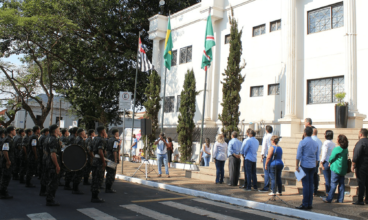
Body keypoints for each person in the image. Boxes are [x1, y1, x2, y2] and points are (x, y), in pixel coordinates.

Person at [295, 127, 319, 210]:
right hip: (312, 165)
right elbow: (317, 157)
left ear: (305, 133)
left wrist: (296, 165)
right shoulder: (315, 143)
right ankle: (309, 203)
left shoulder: (302, 142)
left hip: (305, 165)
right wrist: (315, 165)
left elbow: (298, 155)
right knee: (310, 185)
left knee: (305, 185)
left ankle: (305, 203)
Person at [321, 134, 348, 203]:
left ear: (339, 141)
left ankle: (329, 198)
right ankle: (340, 199)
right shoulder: (345, 149)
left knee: (333, 184)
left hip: (336, 168)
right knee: (341, 184)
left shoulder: (337, 149)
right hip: (343, 169)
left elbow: (331, 158)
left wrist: (329, 162)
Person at [45, 124, 62, 206]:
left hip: (48, 162)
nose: (59, 131)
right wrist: (57, 165)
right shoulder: (54, 139)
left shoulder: (48, 138)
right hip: (52, 163)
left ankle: (49, 198)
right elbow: (53, 154)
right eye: (58, 130)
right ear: (55, 131)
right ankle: (50, 199)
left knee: (50, 181)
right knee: (53, 182)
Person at [91, 126, 107, 203]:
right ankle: (95, 196)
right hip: (99, 161)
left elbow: (90, 149)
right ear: (102, 131)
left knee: (94, 178)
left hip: (94, 159)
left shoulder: (94, 139)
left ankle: (93, 195)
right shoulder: (101, 139)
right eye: (104, 130)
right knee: (98, 179)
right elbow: (100, 151)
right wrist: (103, 162)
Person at [352, 128, 368, 205]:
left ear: (361, 134)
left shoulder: (360, 143)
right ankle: (367, 199)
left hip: (361, 166)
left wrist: (353, 164)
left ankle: (360, 199)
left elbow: (356, 154)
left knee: (361, 183)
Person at [0, 126, 16, 199]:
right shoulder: (7, 140)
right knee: (6, 176)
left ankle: (3, 191)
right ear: (11, 131)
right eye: (14, 130)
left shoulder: (9, 139)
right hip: (6, 161)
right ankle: (3, 192)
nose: (15, 132)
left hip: (8, 160)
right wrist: (8, 160)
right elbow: (5, 151)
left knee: (7, 176)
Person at [320, 130, 335, 196]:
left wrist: (321, 161)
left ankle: (328, 192)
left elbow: (324, 153)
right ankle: (331, 192)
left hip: (326, 161)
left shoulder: (326, 143)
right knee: (331, 179)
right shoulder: (333, 143)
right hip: (331, 162)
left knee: (327, 179)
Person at [106, 128, 120, 193]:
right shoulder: (116, 141)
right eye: (118, 133)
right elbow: (115, 150)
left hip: (108, 158)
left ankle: (107, 187)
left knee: (108, 173)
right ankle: (109, 188)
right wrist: (115, 159)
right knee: (112, 174)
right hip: (112, 159)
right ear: (116, 133)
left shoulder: (109, 140)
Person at [259, 125, 273, 193]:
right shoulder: (273, 136)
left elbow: (264, 147)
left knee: (266, 171)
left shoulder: (266, 137)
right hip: (272, 155)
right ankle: (272, 186)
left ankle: (266, 186)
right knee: (270, 171)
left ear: (266, 130)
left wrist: (262, 155)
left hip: (267, 155)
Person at [72, 128, 86, 194]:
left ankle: (75, 188)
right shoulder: (80, 140)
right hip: (79, 159)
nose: (85, 133)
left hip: (76, 158)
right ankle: (75, 189)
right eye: (84, 132)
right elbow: (80, 150)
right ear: (81, 133)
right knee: (78, 174)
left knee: (77, 174)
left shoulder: (77, 138)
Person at [311, 128, 322, 195]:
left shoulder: (311, 140)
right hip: (317, 159)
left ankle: (311, 189)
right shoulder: (320, 141)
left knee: (310, 175)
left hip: (311, 160)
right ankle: (315, 189)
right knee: (315, 175)